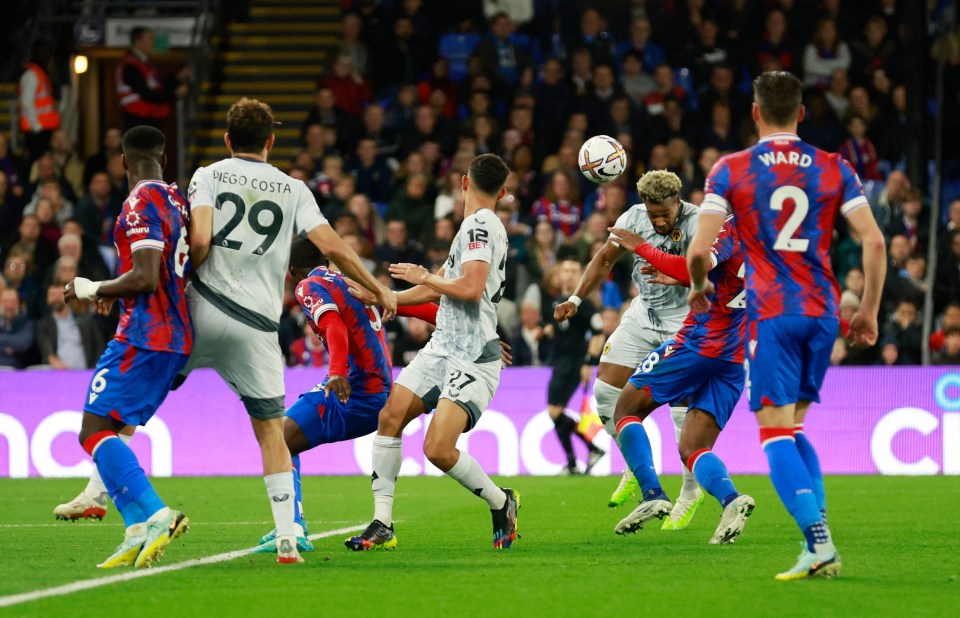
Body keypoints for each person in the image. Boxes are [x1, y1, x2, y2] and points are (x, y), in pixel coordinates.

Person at [691, 71, 886, 580]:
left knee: (774, 433)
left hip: (774, 313)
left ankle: (818, 543)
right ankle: (818, 543)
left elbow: (698, 251)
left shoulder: (731, 169)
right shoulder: (832, 166)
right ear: (802, 113)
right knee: (795, 425)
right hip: (823, 310)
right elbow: (876, 241)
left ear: (754, 113)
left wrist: (697, 284)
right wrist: (866, 310)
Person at [185, 97, 395, 564]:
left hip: (206, 307)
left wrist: (182, 277)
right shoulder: (293, 189)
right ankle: (288, 532)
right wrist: (379, 287)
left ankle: (107, 487)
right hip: (259, 328)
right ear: (272, 141)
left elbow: (199, 242)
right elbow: (334, 245)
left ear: (226, 140)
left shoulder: (207, 175)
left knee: (146, 386)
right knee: (273, 433)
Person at [345, 154, 520, 552]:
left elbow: (471, 289)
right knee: (390, 416)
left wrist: (423, 275)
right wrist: (383, 296)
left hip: (473, 355)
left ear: (462, 183)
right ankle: (382, 523)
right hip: (442, 346)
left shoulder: (480, 224)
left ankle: (501, 501)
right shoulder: (472, 228)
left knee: (438, 449)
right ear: (503, 192)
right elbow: (437, 286)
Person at [253, 240, 445, 554]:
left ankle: (292, 527)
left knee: (278, 438)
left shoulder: (308, 286)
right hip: (382, 393)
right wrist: (461, 332)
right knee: (284, 439)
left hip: (355, 391)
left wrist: (335, 371)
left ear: (289, 270)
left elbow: (334, 326)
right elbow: (411, 305)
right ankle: (288, 522)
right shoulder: (350, 281)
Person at [62, 126, 192, 568]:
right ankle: (135, 529)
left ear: (122, 161)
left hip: (145, 334)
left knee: (93, 430)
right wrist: (112, 291)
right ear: (163, 158)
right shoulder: (178, 201)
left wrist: (89, 285)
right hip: (174, 335)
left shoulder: (140, 201)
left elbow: (147, 276)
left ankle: (156, 513)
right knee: (113, 427)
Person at [554, 170, 704, 528]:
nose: (658, 220)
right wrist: (576, 297)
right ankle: (638, 467)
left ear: (677, 202)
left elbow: (707, 271)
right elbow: (605, 258)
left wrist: (677, 274)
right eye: (653, 214)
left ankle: (689, 490)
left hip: (683, 319)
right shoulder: (633, 218)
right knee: (605, 395)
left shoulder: (697, 221)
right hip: (642, 315)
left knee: (681, 411)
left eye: (664, 213)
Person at [607, 217, 754, 544]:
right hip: (734, 354)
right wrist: (685, 281)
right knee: (693, 447)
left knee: (626, 410)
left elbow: (697, 264)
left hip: (699, 343)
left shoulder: (733, 228)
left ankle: (651, 494)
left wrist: (641, 246)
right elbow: (729, 283)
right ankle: (732, 500)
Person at [541, 259, 605, 475]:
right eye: (564, 271)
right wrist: (547, 330)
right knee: (555, 413)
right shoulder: (556, 301)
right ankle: (577, 459)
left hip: (574, 362)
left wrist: (589, 362)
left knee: (554, 411)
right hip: (559, 360)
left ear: (580, 275)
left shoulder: (584, 304)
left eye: (573, 271)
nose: (568, 275)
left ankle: (583, 454)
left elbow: (598, 334)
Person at [115, 27, 190, 130]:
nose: (153, 42)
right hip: (139, 118)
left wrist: (176, 77)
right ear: (138, 41)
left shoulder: (143, 63)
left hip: (149, 116)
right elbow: (145, 93)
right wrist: (174, 94)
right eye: (149, 39)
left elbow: (156, 85)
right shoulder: (130, 65)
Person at [36, 282, 104, 369]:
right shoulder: (43, 325)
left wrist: (95, 368)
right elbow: (45, 346)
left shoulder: (85, 320)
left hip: (86, 373)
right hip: (58, 374)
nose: (56, 298)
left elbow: (99, 346)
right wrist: (53, 360)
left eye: (60, 294)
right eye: (52, 294)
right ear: (47, 299)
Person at [18, 40, 61, 165]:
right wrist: (37, 127)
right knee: (37, 163)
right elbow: (26, 102)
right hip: (36, 131)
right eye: (45, 53)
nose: (48, 57)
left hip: (44, 129)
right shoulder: (31, 74)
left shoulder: (41, 74)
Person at [0, 288, 34, 368]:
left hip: (18, 371)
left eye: (13, 301)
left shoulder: (27, 322)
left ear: (19, 303)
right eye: (5, 301)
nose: (9, 306)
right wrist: (8, 348)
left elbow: (23, 344)